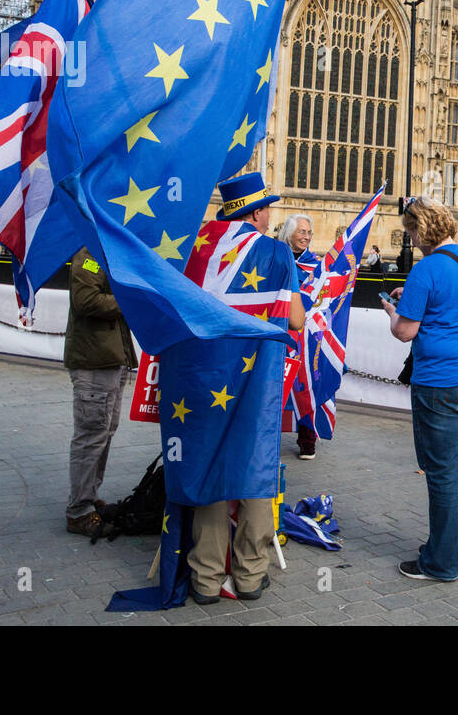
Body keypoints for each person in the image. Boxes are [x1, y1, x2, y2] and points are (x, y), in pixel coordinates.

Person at [183, 171, 305, 604]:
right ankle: (250, 575)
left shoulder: (196, 247)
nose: (270, 215)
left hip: (203, 377)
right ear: (255, 211)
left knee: (211, 466)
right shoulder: (275, 253)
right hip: (256, 381)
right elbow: (294, 321)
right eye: (267, 207)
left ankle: (205, 577)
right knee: (254, 470)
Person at [380, 196, 458, 582]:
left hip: (441, 384)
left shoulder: (426, 270)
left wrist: (394, 312)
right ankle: (447, 548)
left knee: (441, 473)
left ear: (419, 229)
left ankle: (441, 563)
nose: (409, 238)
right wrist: (411, 299)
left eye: (409, 231)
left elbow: (404, 332)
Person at [63, 247, 136, 538]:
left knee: (103, 432)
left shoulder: (107, 253)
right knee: (91, 435)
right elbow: (86, 300)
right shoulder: (90, 255)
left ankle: (89, 500)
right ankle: (79, 511)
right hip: (95, 362)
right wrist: (130, 298)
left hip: (110, 359)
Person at [279, 213, 319, 460]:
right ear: (289, 233)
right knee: (275, 386)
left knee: (306, 386)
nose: (306, 236)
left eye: (309, 232)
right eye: (301, 231)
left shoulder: (316, 266)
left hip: (305, 334)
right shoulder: (276, 258)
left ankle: (307, 440)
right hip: (280, 329)